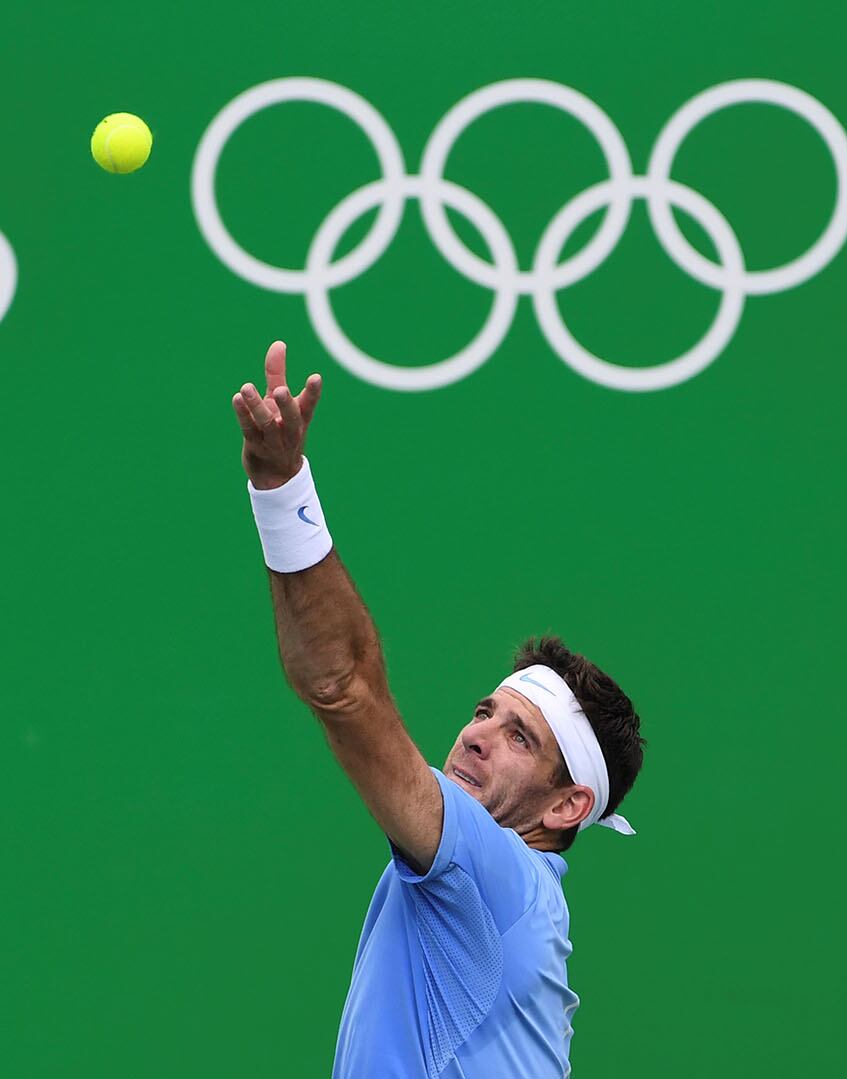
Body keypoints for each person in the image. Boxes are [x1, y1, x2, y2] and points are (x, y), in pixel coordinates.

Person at [230, 341, 647, 1078]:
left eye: (519, 736)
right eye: (486, 711)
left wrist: (282, 488)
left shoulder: (496, 870)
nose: (478, 735)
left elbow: (343, 689)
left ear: (566, 804)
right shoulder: (512, 897)